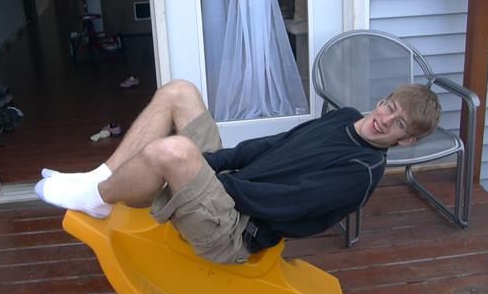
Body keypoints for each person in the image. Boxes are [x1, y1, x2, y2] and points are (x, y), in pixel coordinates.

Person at [35, 80, 440, 264]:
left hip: (235, 231)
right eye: (389, 107)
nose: (385, 120)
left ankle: (96, 198)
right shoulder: (346, 117)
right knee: (179, 92)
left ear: (406, 141)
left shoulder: (360, 173)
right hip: (230, 189)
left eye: (399, 124)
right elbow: (274, 144)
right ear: (382, 100)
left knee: (172, 151)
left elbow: (288, 205)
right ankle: (99, 181)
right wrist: (212, 164)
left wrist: (214, 181)